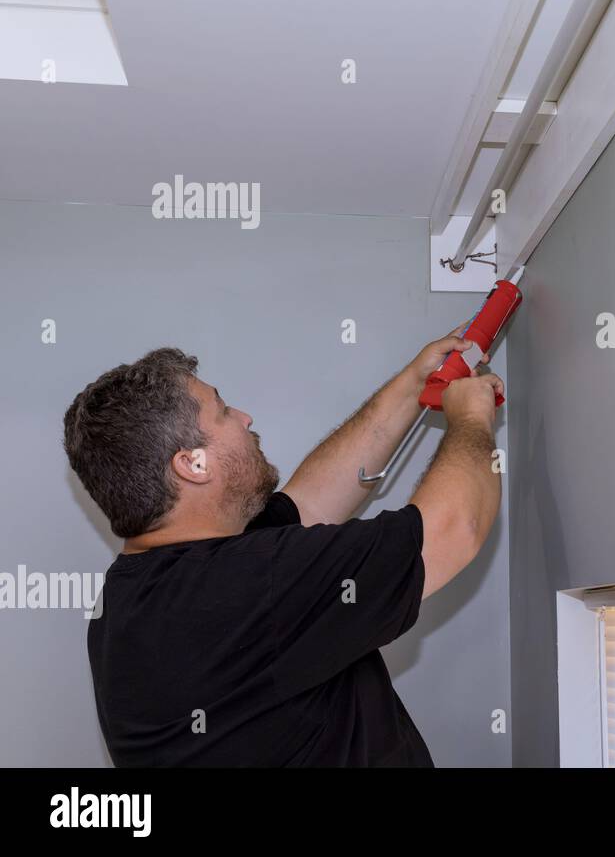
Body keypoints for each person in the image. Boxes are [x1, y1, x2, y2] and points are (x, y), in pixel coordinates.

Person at [62, 325, 503, 766]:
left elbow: (312, 500)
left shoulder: (138, 592)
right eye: (222, 410)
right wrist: (471, 418)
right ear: (192, 465)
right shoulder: (243, 585)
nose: (244, 416)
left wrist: (412, 384)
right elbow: (453, 529)